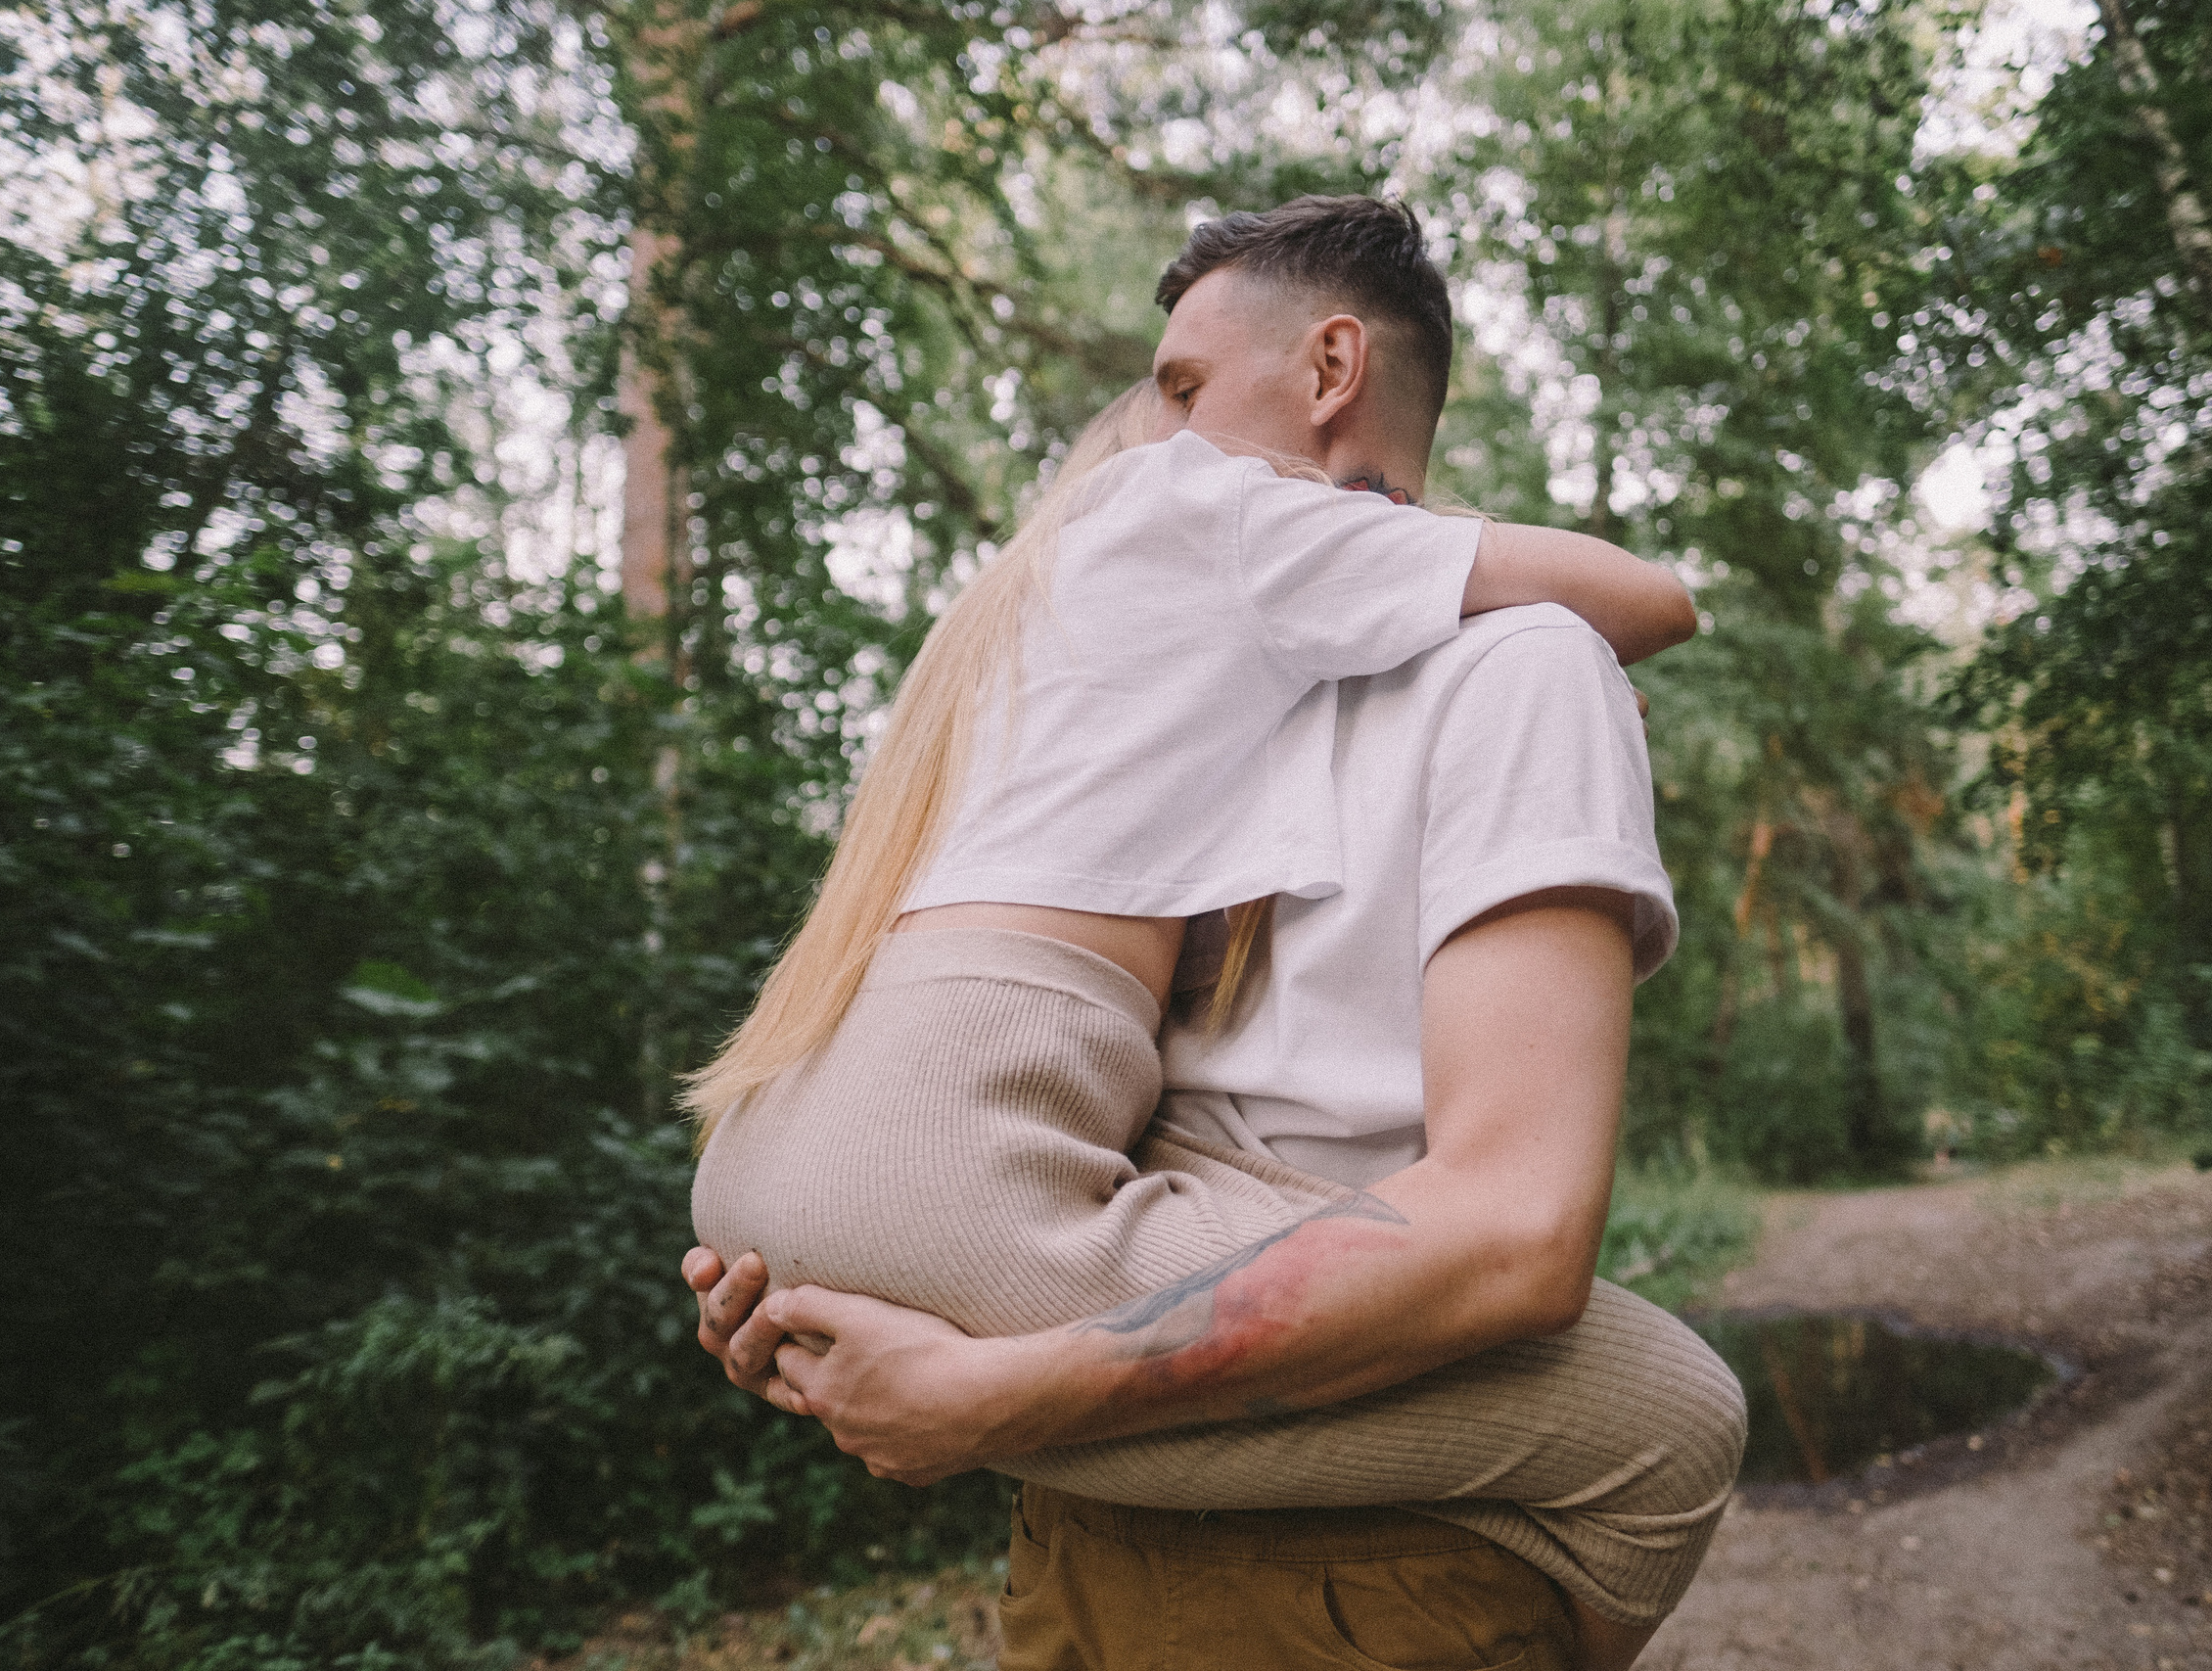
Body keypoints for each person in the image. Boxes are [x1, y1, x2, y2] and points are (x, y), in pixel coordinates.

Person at [684, 197, 1746, 1670]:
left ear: (1330, 367)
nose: (1164, 436)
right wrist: (982, 1395)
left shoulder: (1236, 655)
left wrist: (953, 1375)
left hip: (843, 1189)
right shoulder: (1272, 583)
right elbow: (1648, 597)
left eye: (1185, 387)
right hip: (1090, 1403)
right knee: (1677, 1421)